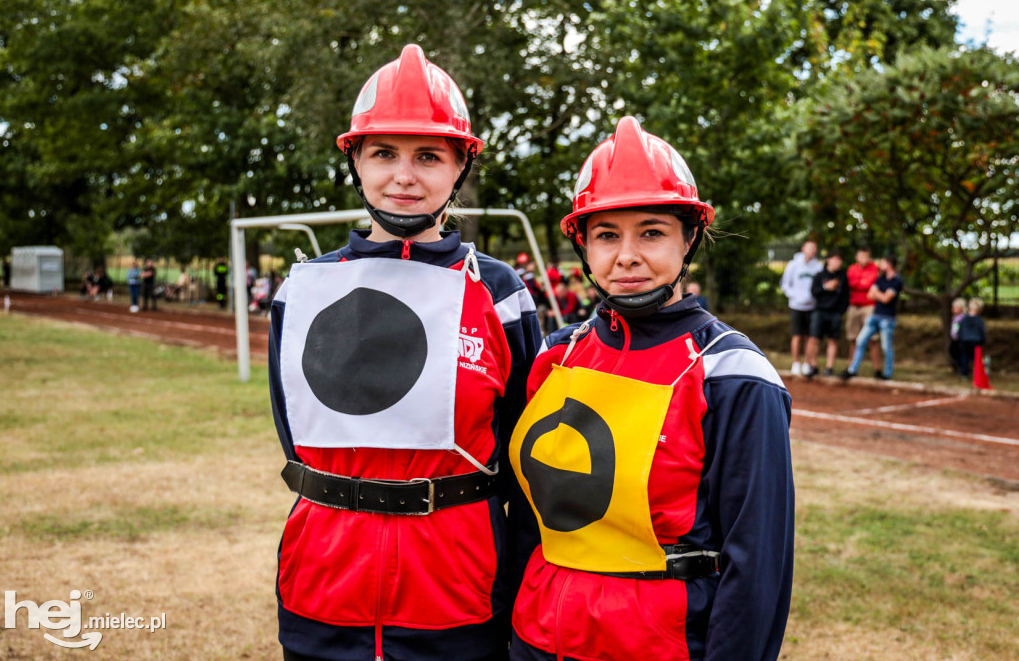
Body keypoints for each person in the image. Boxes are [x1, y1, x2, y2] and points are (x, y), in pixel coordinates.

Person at [267, 44, 541, 661]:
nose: (404, 176)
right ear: (356, 163)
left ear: (460, 167)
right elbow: (296, 438)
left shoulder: (501, 294)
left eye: (428, 156)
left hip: (458, 593)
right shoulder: (301, 290)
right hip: (324, 584)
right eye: (384, 153)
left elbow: (522, 455)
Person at [508, 117, 794, 661]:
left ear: (689, 239)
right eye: (607, 235)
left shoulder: (733, 373)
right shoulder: (553, 357)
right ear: (583, 246)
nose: (628, 255)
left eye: (652, 232)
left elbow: (756, 563)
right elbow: (527, 525)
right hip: (536, 639)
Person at [840, 254, 903, 381]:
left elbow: (886, 299)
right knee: (860, 341)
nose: (880, 265)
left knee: (886, 347)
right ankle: (852, 370)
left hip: (887, 319)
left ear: (889, 264)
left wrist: (878, 294)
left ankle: (887, 374)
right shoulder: (881, 279)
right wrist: (881, 295)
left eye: (883, 262)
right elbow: (870, 295)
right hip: (875, 316)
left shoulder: (897, 281)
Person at [779, 240, 822, 376]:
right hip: (796, 306)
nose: (812, 250)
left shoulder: (818, 267)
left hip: (812, 306)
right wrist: (795, 297)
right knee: (797, 335)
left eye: (814, 247)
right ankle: (796, 363)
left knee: (810, 337)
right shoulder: (793, 265)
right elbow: (785, 284)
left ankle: (806, 363)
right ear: (803, 248)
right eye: (810, 247)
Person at [807, 249, 849, 377]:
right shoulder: (819, 275)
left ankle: (829, 368)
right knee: (814, 339)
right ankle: (813, 366)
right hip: (819, 311)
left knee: (833, 340)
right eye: (836, 259)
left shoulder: (842, 277)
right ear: (828, 260)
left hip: (835, 313)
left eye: (840, 260)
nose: (838, 262)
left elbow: (846, 297)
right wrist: (826, 287)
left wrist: (841, 312)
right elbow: (814, 292)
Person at [846, 246, 881, 373]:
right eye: (861, 256)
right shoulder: (852, 269)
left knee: (873, 339)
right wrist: (863, 283)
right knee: (853, 339)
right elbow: (852, 283)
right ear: (856, 257)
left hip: (869, 306)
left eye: (866, 256)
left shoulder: (875, 268)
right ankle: (851, 369)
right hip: (854, 306)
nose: (863, 259)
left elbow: (871, 283)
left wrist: (861, 283)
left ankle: (877, 369)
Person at [957, 297, 987, 379]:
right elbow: (982, 331)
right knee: (977, 357)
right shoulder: (979, 320)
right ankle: (978, 373)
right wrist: (983, 340)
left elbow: (960, 330)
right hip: (976, 341)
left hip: (965, 340)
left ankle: (965, 374)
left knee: (964, 356)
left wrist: (960, 339)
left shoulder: (964, 319)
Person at [948, 297, 966, 374]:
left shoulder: (963, 317)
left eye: (956, 307)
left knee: (959, 353)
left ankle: (962, 368)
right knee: (952, 351)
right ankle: (959, 367)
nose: (953, 309)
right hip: (955, 338)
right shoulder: (955, 317)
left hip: (960, 338)